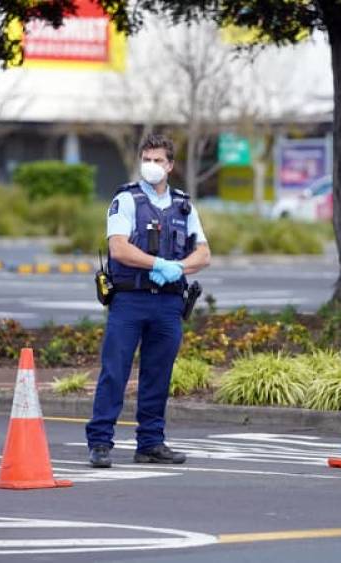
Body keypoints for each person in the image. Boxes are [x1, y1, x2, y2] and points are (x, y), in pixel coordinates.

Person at [85, 134, 211, 468]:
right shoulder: (126, 200)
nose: (151, 166)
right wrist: (157, 264)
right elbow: (119, 248)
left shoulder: (184, 206)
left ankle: (151, 443)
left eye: (158, 160)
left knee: (159, 373)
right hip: (130, 299)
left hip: (168, 302)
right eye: (147, 159)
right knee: (115, 370)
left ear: (170, 165)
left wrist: (177, 268)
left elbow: (204, 253)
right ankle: (100, 442)